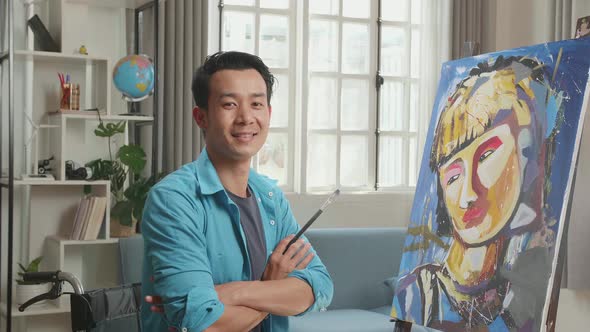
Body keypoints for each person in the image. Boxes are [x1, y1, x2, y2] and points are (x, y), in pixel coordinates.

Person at [141, 51, 334, 332]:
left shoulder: (271, 198)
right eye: (229, 104)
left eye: (256, 104)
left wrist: (232, 292)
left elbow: (319, 287)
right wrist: (271, 286)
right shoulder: (173, 200)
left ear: (268, 113)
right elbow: (204, 323)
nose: (246, 117)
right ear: (201, 117)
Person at [392, 56, 562, 331]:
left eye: (487, 155)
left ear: (529, 156)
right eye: (454, 175)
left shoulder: (523, 292)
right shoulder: (417, 295)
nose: (468, 193)